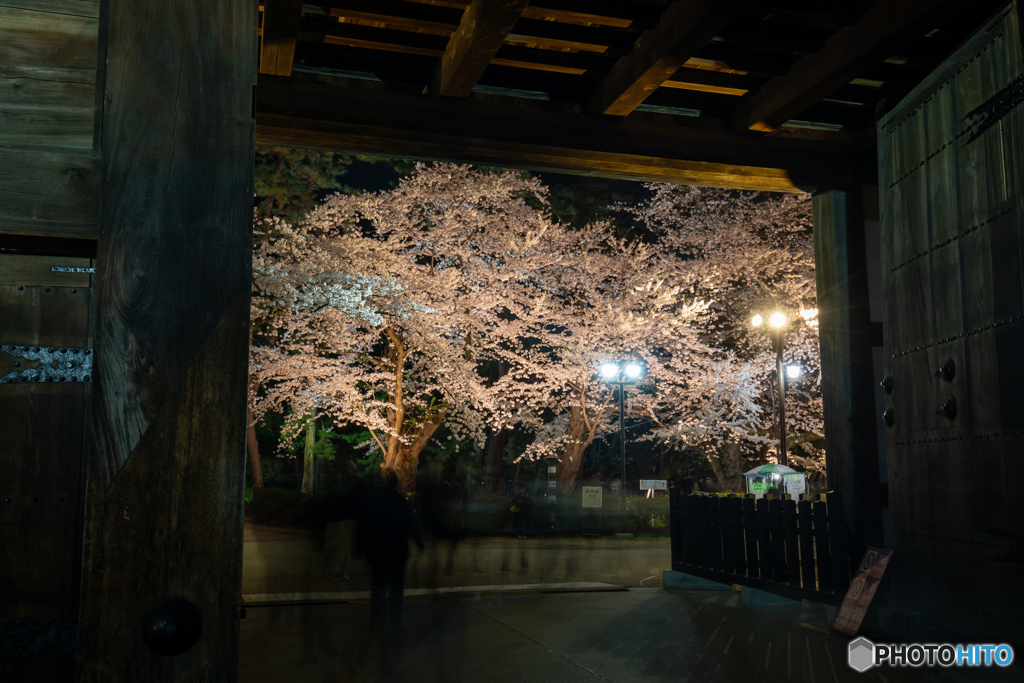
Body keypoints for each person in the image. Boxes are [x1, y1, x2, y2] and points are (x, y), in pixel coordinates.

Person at [355, 467, 424, 644]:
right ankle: (394, 624)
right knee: (395, 590)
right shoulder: (400, 500)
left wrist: (359, 547)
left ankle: (376, 622)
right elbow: (411, 524)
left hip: (376, 550)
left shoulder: (372, 500)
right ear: (396, 482)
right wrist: (419, 542)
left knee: (377, 587)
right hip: (397, 551)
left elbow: (363, 524)